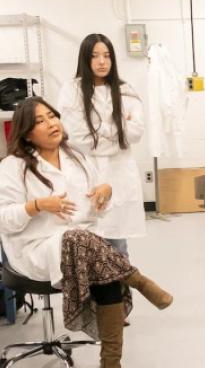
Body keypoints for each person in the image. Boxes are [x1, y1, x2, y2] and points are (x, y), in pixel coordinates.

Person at [0, 97, 173, 368]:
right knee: (84, 244)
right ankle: (137, 280)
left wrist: (105, 193)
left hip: (84, 246)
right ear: (25, 133)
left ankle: (111, 364)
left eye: (53, 116)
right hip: (35, 250)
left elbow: (93, 212)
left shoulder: (77, 158)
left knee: (93, 254)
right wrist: (36, 206)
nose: (52, 124)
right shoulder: (13, 167)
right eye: (41, 120)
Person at [57, 33, 145, 257]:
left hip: (119, 174)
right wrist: (118, 126)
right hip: (87, 173)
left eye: (107, 56)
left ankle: (120, 292)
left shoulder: (125, 90)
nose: (102, 61)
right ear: (85, 60)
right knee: (88, 244)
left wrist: (99, 129)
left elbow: (136, 133)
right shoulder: (72, 90)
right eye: (95, 56)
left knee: (118, 246)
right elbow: (79, 139)